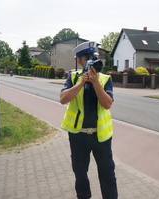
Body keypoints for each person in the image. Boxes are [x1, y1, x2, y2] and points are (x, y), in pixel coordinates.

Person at [60, 41, 118, 199]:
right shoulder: (73, 77)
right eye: (88, 58)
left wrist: (95, 83)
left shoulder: (105, 79)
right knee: (80, 174)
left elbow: (107, 104)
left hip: (101, 136)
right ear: (80, 61)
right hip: (78, 136)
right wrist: (81, 82)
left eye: (94, 58)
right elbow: (63, 99)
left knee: (107, 175)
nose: (92, 61)